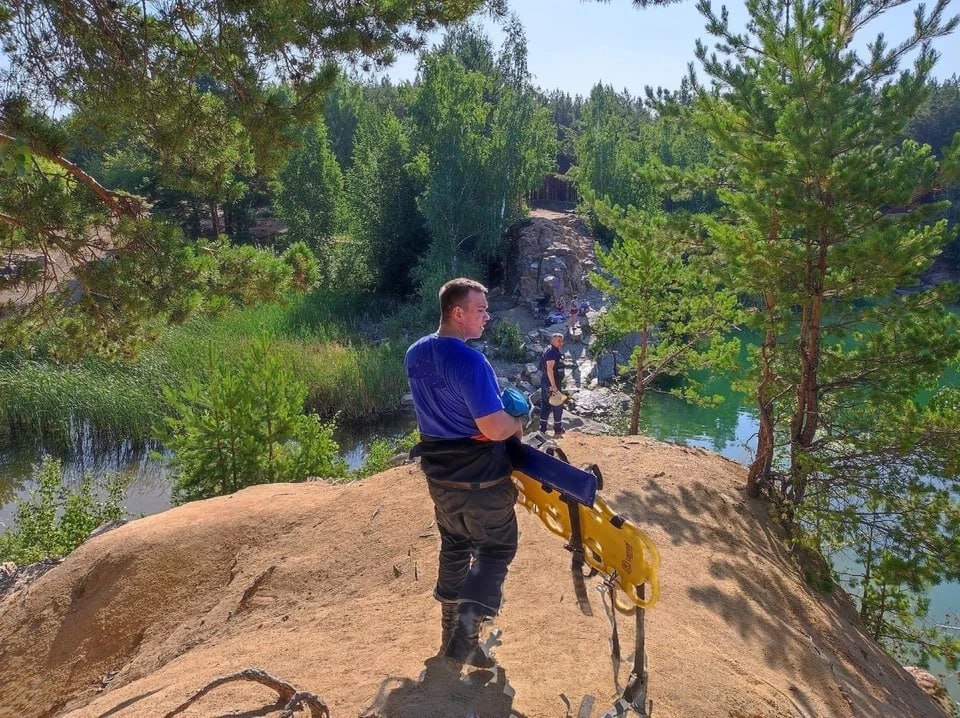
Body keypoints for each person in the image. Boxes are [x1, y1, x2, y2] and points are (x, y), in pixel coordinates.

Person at [404, 277, 523, 669]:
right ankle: (467, 642)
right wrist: (521, 417)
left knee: (455, 546)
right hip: (482, 480)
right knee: (495, 550)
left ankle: (449, 635)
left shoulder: (415, 353)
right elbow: (492, 428)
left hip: (441, 479)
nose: (487, 317)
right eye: (480, 310)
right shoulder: (471, 361)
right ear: (458, 313)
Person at [538, 332, 566, 436]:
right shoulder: (552, 353)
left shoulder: (550, 350)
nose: (560, 343)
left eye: (561, 341)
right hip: (551, 382)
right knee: (557, 404)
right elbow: (549, 369)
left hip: (546, 381)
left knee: (545, 404)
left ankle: (542, 428)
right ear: (552, 341)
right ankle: (558, 428)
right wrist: (553, 386)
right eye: (558, 340)